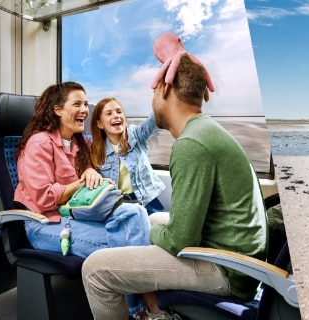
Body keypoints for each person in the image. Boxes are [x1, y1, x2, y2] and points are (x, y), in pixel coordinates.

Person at [81, 54, 268, 320]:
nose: (152, 100)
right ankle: (156, 308)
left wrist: (152, 230)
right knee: (156, 217)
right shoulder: (205, 129)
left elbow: (181, 240)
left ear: (166, 90)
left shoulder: (190, 144)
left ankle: (151, 310)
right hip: (238, 255)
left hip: (228, 269)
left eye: (153, 92)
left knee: (95, 270)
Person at [14, 81, 151, 259]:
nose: (85, 110)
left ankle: (138, 281)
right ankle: (142, 286)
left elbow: (100, 157)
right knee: (125, 237)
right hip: (46, 223)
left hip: (78, 213)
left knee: (137, 212)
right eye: (77, 104)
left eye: (86, 104)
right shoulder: (39, 143)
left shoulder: (80, 144)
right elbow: (43, 198)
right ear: (58, 110)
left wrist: (90, 171)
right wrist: (81, 182)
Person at [90, 97, 166, 214]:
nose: (116, 115)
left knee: (163, 226)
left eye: (119, 112)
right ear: (100, 124)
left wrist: (163, 97)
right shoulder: (96, 148)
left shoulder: (135, 135)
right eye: (109, 113)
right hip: (118, 203)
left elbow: (153, 121)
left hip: (145, 200)